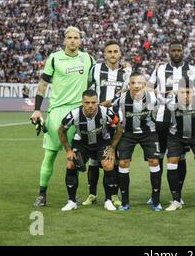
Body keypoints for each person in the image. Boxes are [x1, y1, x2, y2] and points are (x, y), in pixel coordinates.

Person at [31, 26, 95, 207]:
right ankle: (42, 194)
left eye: (76, 38)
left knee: (77, 155)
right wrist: (37, 109)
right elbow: (43, 84)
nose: (73, 40)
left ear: (80, 40)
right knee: (50, 155)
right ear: (64, 40)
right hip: (57, 112)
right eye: (70, 37)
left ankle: (75, 197)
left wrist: (123, 66)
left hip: (80, 113)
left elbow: (99, 76)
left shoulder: (88, 59)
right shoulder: (54, 58)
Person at [148, 40, 195, 205]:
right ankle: (155, 195)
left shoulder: (193, 70)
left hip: (183, 119)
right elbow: (149, 88)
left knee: (180, 157)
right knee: (158, 157)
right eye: (173, 50)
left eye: (179, 50)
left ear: (183, 51)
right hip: (162, 118)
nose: (176, 53)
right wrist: (164, 94)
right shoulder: (159, 69)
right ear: (169, 52)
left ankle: (177, 195)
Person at [83, 40, 131, 207]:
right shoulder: (95, 69)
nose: (112, 54)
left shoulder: (127, 72)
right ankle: (92, 193)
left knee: (113, 158)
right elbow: (87, 88)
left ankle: (114, 194)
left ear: (120, 53)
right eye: (109, 51)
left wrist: (113, 100)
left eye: (115, 51)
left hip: (116, 121)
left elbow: (130, 90)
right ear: (104, 54)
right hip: (96, 119)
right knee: (94, 160)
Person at [58, 90, 121, 211]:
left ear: (98, 102)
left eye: (93, 102)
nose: (90, 105)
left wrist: (112, 148)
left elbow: (119, 128)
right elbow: (61, 131)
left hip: (102, 142)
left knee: (108, 164)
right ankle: (72, 201)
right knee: (70, 163)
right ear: (82, 102)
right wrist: (68, 151)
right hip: (81, 143)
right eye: (87, 102)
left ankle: (108, 200)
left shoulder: (106, 112)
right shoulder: (74, 114)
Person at [113, 71, 163, 211]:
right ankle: (125, 202)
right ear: (128, 85)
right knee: (123, 162)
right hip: (128, 133)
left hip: (149, 132)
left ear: (145, 85)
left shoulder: (153, 98)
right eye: (133, 83)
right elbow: (111, 110)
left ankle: (156, 200)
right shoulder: (121, 100)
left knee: (154, 161)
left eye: (140, 83)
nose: (136, 86)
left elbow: (163, 110)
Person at [164, 78, 195, 212]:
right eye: (182, 92)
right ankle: (176, 200)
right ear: (177, 92)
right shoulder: (170, 102)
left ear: (193, 91)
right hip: (176, 136)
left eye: (188, 92)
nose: (185, 95)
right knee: (172, 162)